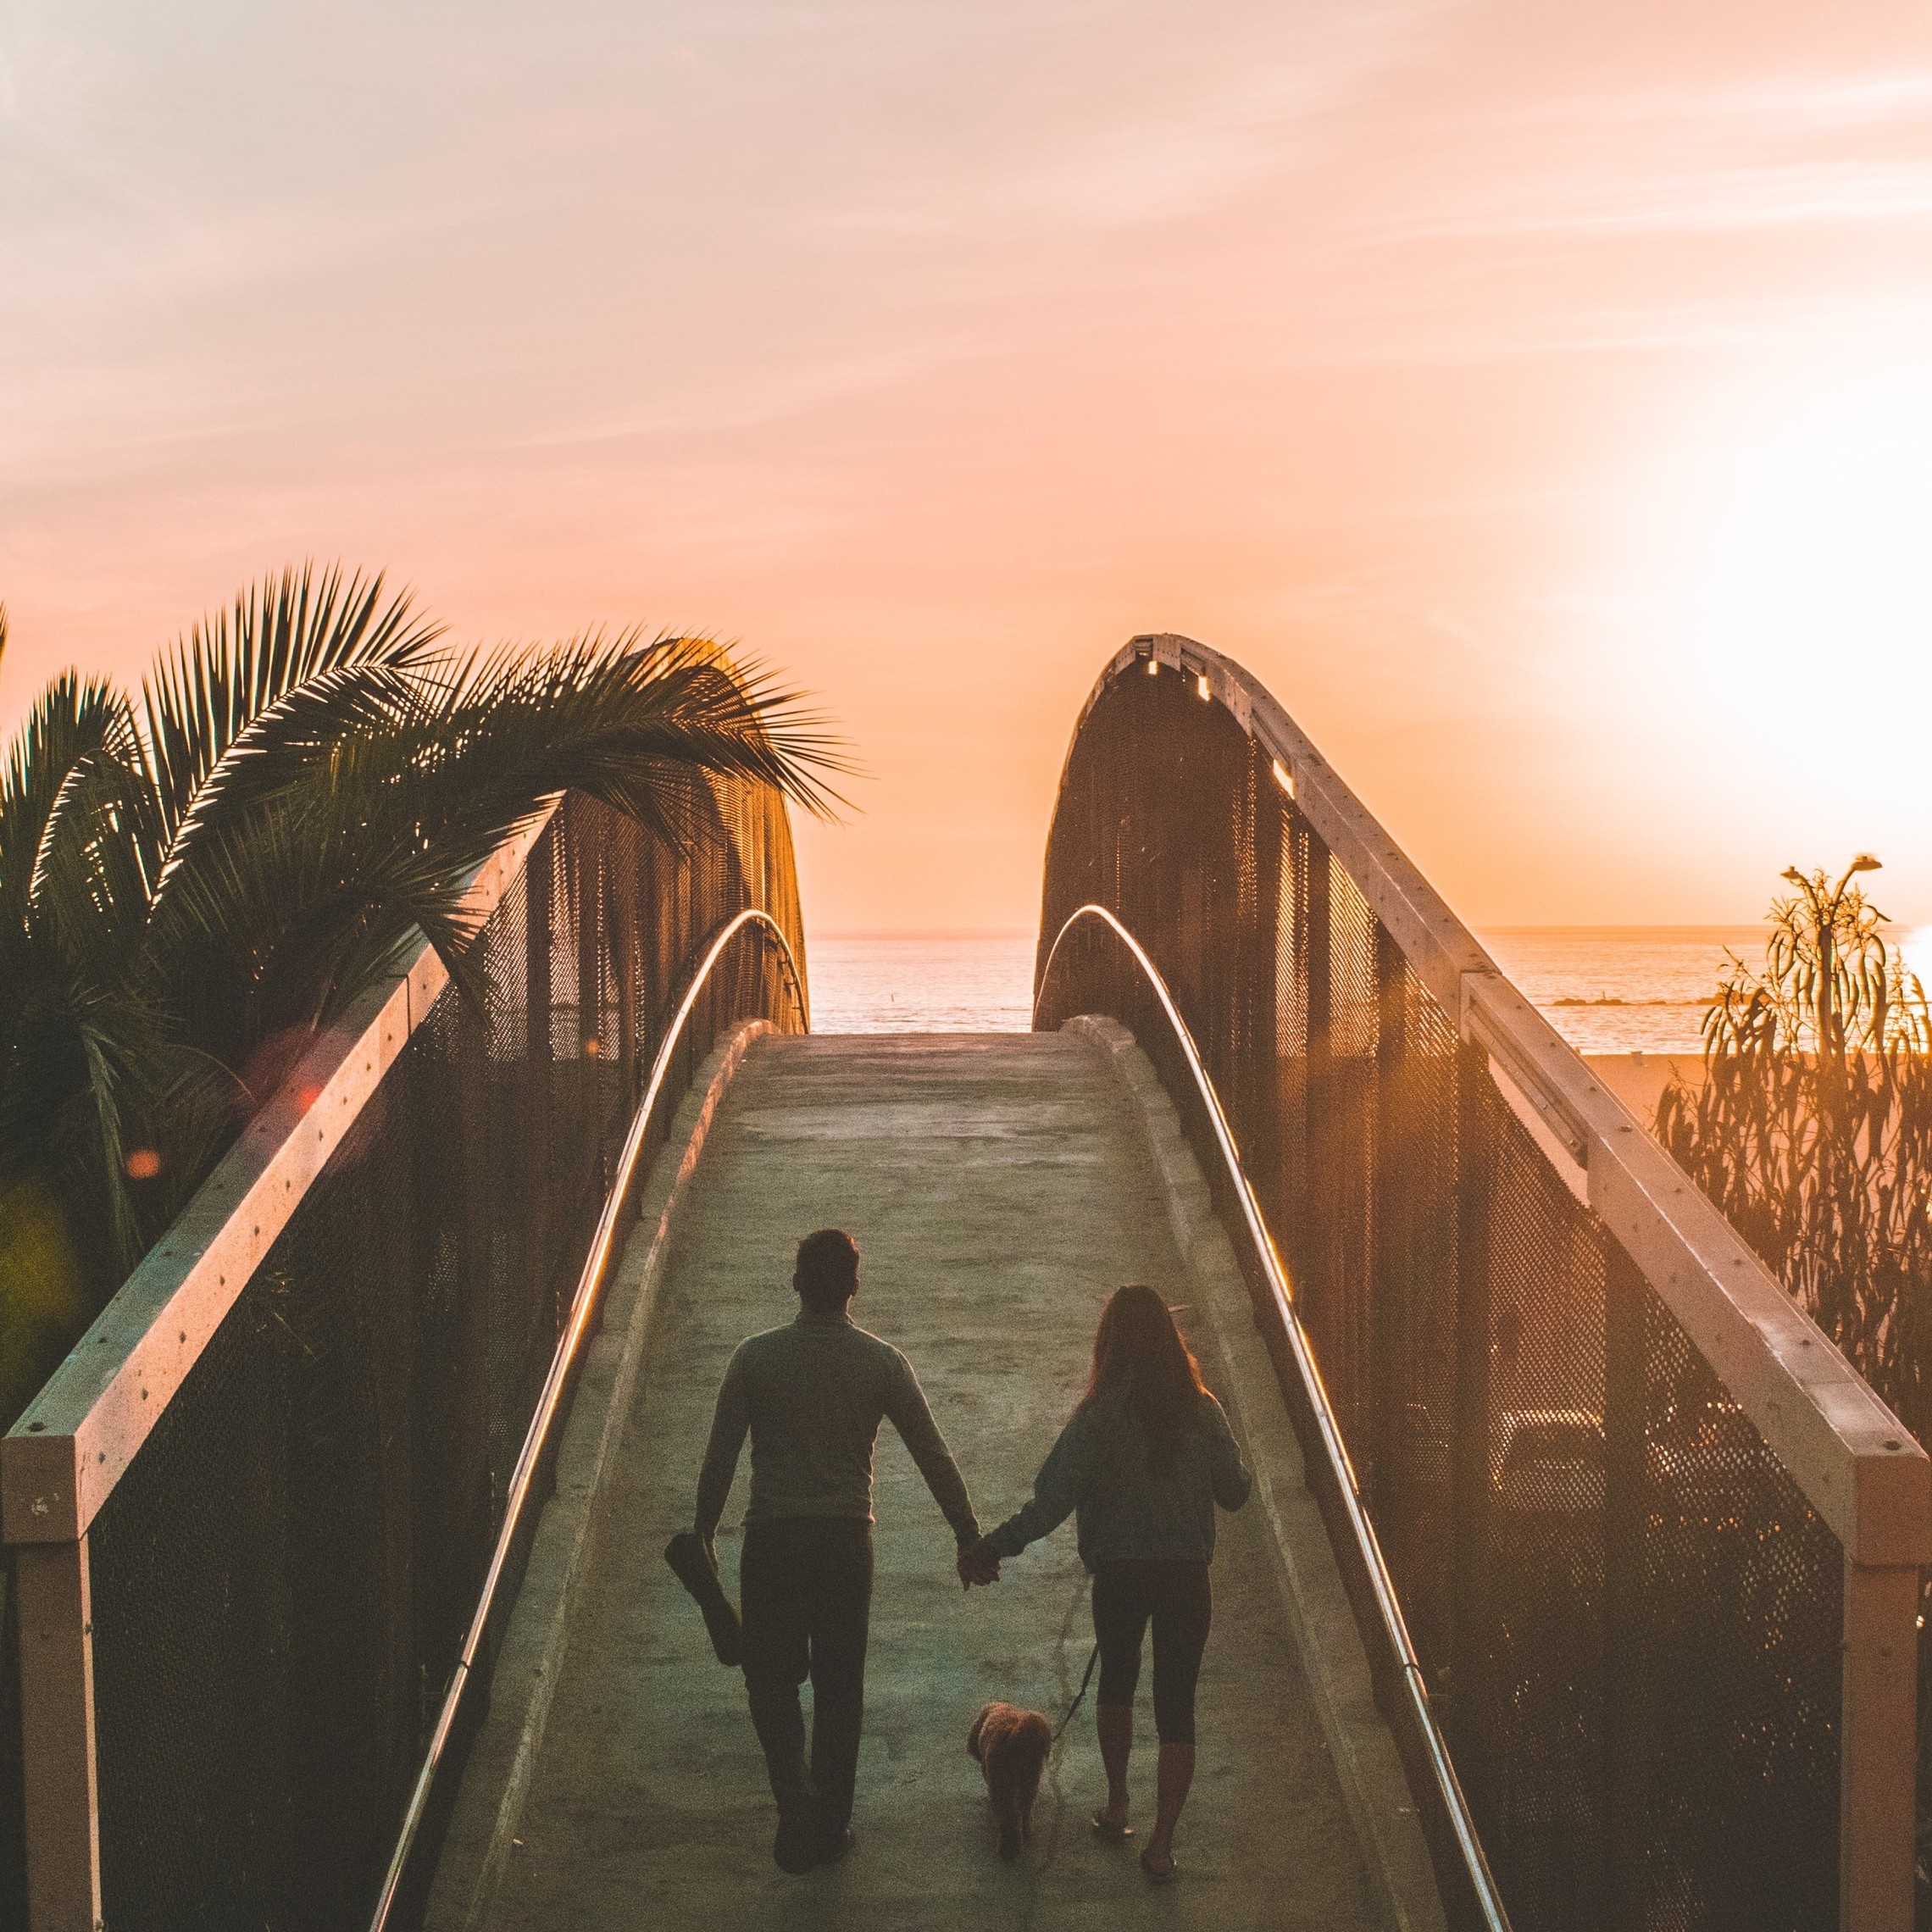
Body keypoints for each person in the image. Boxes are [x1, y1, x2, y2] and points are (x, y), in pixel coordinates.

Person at [693, 1227, 986, 1873]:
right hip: (846, 1543)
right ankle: (829, 1828)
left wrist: (705, 1531)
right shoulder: (882, 1363)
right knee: (839, 1687)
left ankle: (793, 1795)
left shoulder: (754, 1358)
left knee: (769, 1678)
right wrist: (967, 1535)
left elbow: (720, 1459)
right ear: (855, 1286)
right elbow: (933, 1456)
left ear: (796, 1282)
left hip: (772, 1540)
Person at [960, 1284, 1252, 1883]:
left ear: (1109, 1344)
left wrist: (989, 1548)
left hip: (1119, 1575)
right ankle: (1161, 1847)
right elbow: (1235, 1492)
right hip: (1185, 1575)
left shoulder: (1095, 1418)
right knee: (1177, 1707)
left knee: (1116, 1681)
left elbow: (1048, 1505)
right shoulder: (1202, 1409)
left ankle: (1118, 1805)